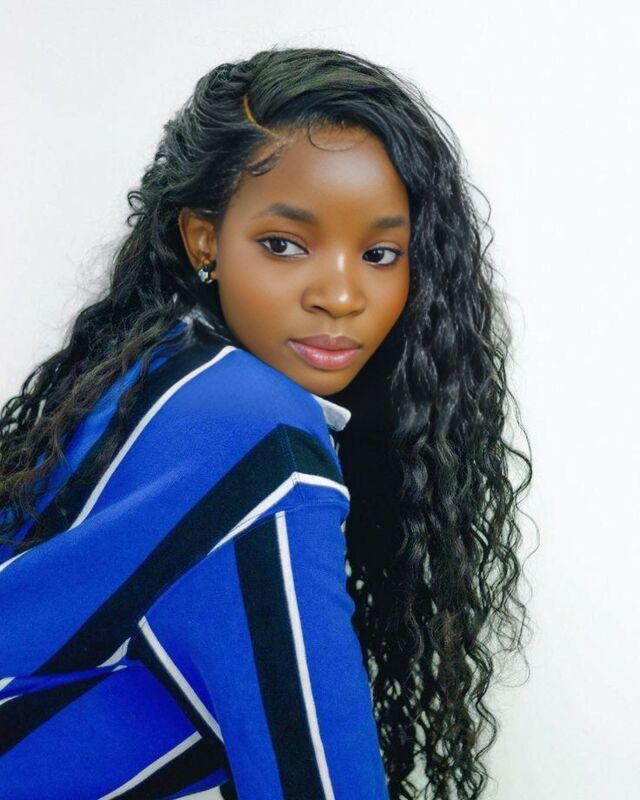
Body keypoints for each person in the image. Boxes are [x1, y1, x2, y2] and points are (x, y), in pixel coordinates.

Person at [0, 46, 533, 800]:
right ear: (204, 239)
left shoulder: (146, 375)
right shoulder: (263, 439)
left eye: (381, 253)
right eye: (285, 245)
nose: (340, 295)